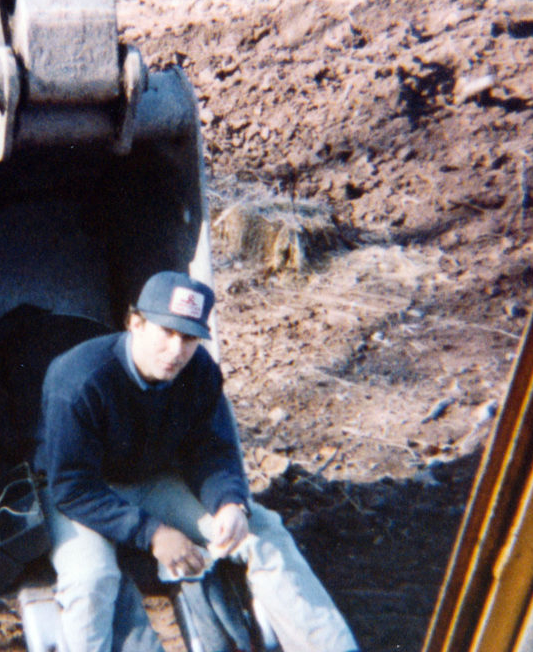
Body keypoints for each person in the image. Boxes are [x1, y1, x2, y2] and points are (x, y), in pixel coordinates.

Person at [34, 270, 359, 652]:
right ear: (135, 323)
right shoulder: (78, 378)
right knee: (92, 579)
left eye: (189, 337)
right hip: (83, 495)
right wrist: (154, 534)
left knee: (261, 533)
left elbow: (213, 449)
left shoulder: (199, 371)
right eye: (167, 332)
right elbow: (70, 486)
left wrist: (229, 501)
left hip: (152, 481)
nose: (177, 351)